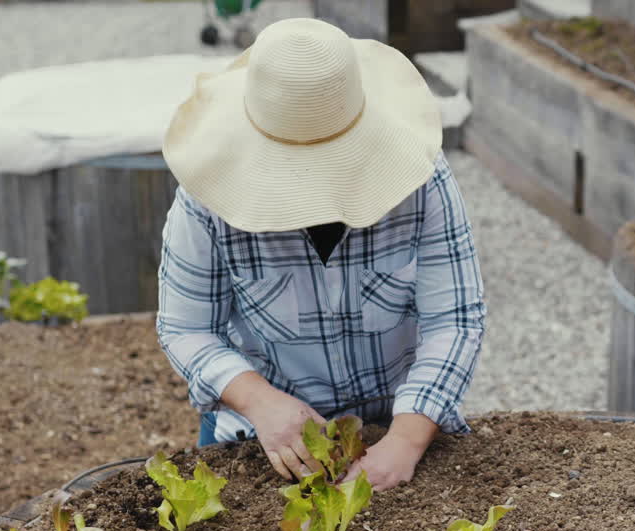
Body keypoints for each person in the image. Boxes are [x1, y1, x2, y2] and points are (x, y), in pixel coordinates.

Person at [155, 17, 485, 491]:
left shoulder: (421, 178)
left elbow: (455, 318)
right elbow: (186, 328)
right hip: (259, 438)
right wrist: (263, 403)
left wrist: (405, 442)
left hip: (397, 421)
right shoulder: (206, 198)